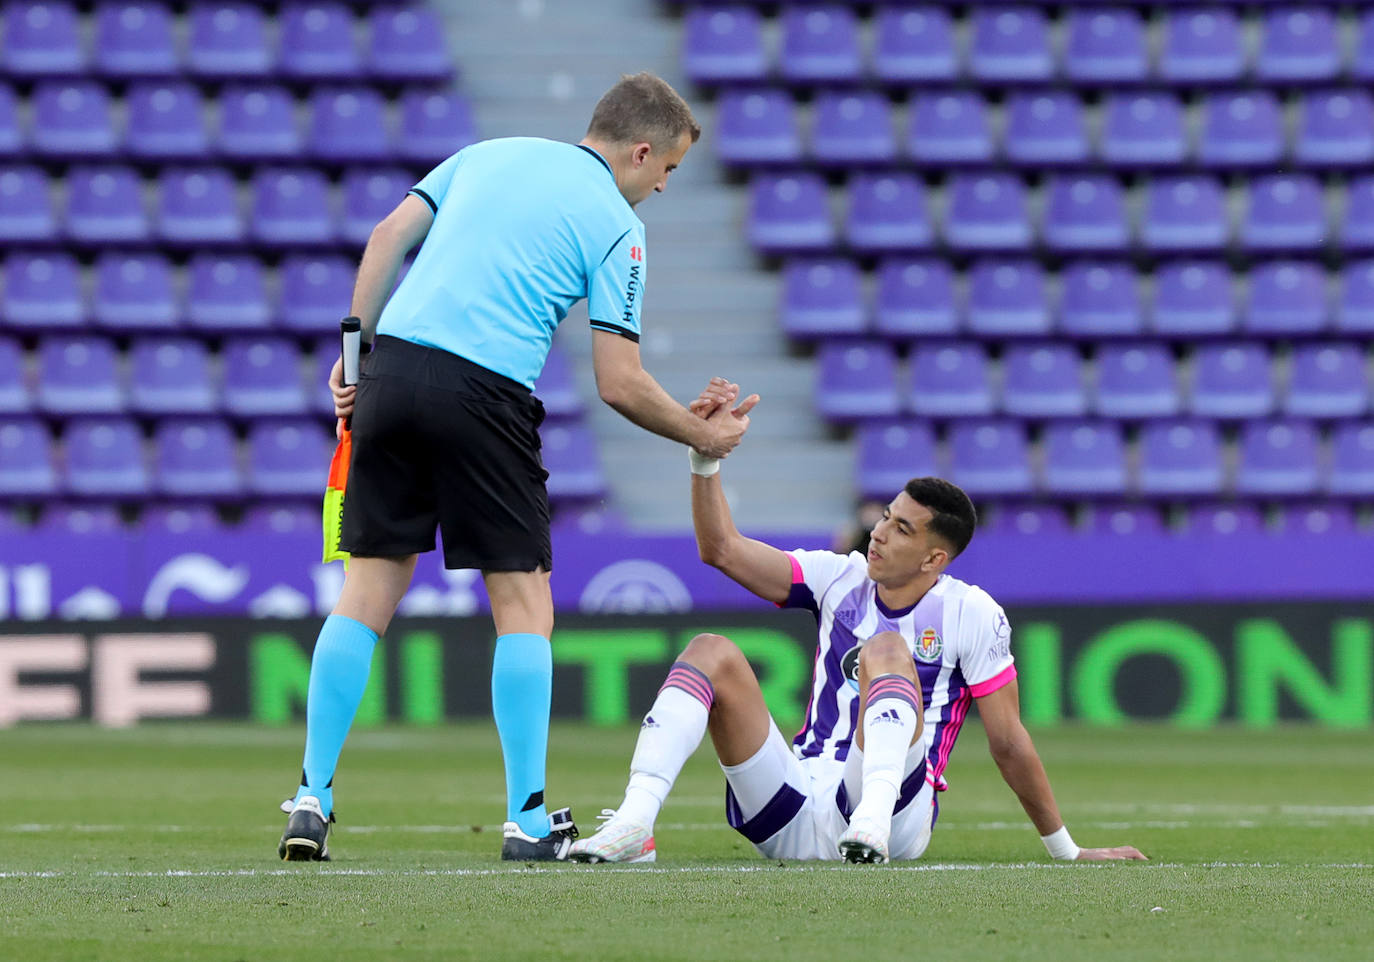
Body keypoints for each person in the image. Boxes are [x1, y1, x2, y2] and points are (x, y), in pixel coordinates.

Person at [278, 72, 753, 863]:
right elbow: (619, 382)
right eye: (667, 170)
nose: (664, 187)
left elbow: (383, 239)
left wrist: (354, 357)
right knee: (524, 603)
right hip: (484, 393)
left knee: (366, 590)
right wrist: (701, 439)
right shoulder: (616, 226)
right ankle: (526, 818)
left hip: (389, 373)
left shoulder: (484, 153)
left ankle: (310, 797)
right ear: (641, 151)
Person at [569, 388, 1146, 864]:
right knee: (710, 650)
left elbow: (1008, 742)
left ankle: (868, 821)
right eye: (885, 518)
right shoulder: (836, 577)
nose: (879, 532)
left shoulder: (972, 613)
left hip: (894, 818)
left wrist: (1066, 850)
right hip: (792, 802)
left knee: (887, 649)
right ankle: (634, 822)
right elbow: (720, 549)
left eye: (900, 529)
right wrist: (704, 457)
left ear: (933, 559)